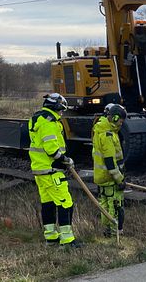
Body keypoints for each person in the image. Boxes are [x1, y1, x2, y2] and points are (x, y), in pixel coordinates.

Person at [28, 93, 80, 247]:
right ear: (56, 107)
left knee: (48, 204)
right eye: (61, 109)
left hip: (40, 170)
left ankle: (51, 237)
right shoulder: (49, 122)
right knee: (66, 203)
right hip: (52, 171)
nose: (62, 112)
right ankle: (67, 240)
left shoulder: (37, 118)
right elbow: (51, 149)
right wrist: (65, 160)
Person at [92, 103, 127, 237]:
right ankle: (114, 234)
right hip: (110, 178)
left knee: (104, 206)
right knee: (115, 206)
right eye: (121, 121)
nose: (121, 124)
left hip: (101, 176)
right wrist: (120, 180)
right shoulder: (108, 135)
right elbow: (110, 162)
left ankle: (106, 231)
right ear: (115, 118)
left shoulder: (99, 129)